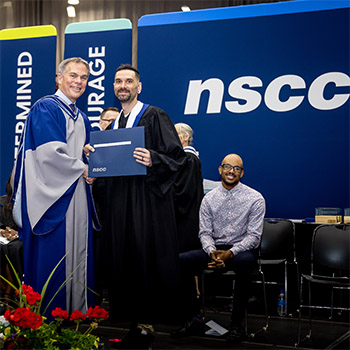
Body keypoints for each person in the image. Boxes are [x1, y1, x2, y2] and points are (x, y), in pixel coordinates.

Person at [100, 64, 186, 348]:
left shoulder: (154, 116)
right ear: (114, 87)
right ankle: (134, 327)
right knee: (124, 261)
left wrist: (153, 159)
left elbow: (176, 157)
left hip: (145, 206)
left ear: (139, 86)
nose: (122, 85)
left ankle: (147, 329)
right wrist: (93, 164)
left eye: (128, 81)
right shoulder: (113, 125)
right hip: (119, 206)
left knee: (144, 260)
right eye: (118, 81)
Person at [12, 57, 97, 317]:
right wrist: (81, 167)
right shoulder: (45, 107)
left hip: (76, 192)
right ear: (59, 78)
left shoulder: (81, 116)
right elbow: (49, 154)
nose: (79, 82)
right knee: (54, 259)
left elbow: (81, 154)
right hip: (52, 196)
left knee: (77, 252)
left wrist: (91, 162)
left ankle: (76, 313)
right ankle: (50, 318)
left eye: (83, 78)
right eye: (73, 75)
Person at [172, 153, 266, 343]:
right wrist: (212, 252)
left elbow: (254, 237)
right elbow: (204, 232)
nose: (231, 171)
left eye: (236, 168)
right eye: (227, 167)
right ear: (220, 170)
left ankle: (237, 325)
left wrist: (230, 253)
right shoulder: (209, 199)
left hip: (241, 250)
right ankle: (194, 318)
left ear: (242, 173)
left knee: (245, 262)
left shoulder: (255, 198)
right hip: (215, 249)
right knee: (181, 261)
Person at [173, 123, 204, 253]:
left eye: (175, 133)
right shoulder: (184, 158)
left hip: (186, 215)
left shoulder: (189, 159)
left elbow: (184, 190)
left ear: (185, 137)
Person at [0, 176, 23, 309]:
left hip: (20, 241)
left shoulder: (31, 204)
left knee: (12, 249)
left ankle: (11, 292)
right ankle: (4, 292)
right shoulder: (2, 202)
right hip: (4, 239)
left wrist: (18, 234)